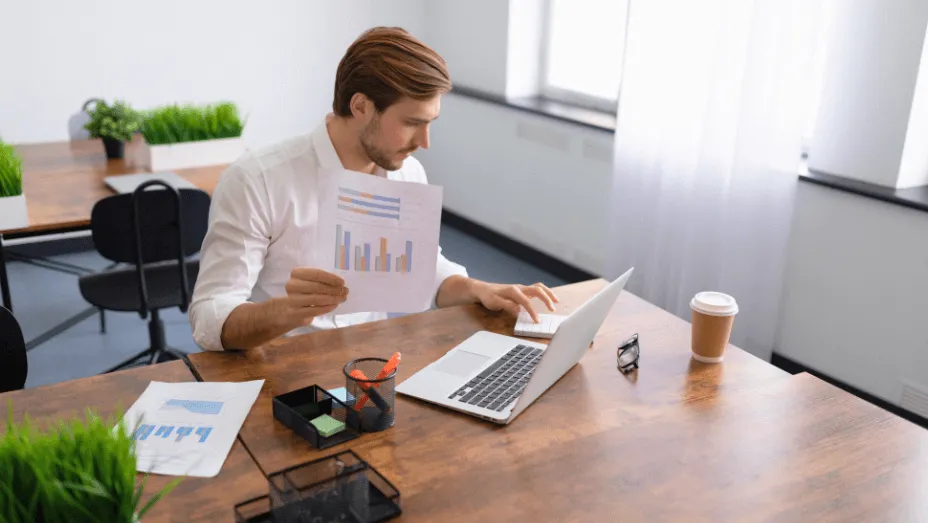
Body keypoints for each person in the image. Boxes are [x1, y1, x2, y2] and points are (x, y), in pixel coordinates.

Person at [189, 27, 559, 351]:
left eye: (430, 123)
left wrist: (477, 288)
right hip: (278, 368)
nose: (425, 142)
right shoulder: (257, 180)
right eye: (412, 123)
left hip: (369, 365)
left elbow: (423, 270)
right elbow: (209, 317)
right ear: (361, 106)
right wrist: (286, 311)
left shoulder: (407, 171)